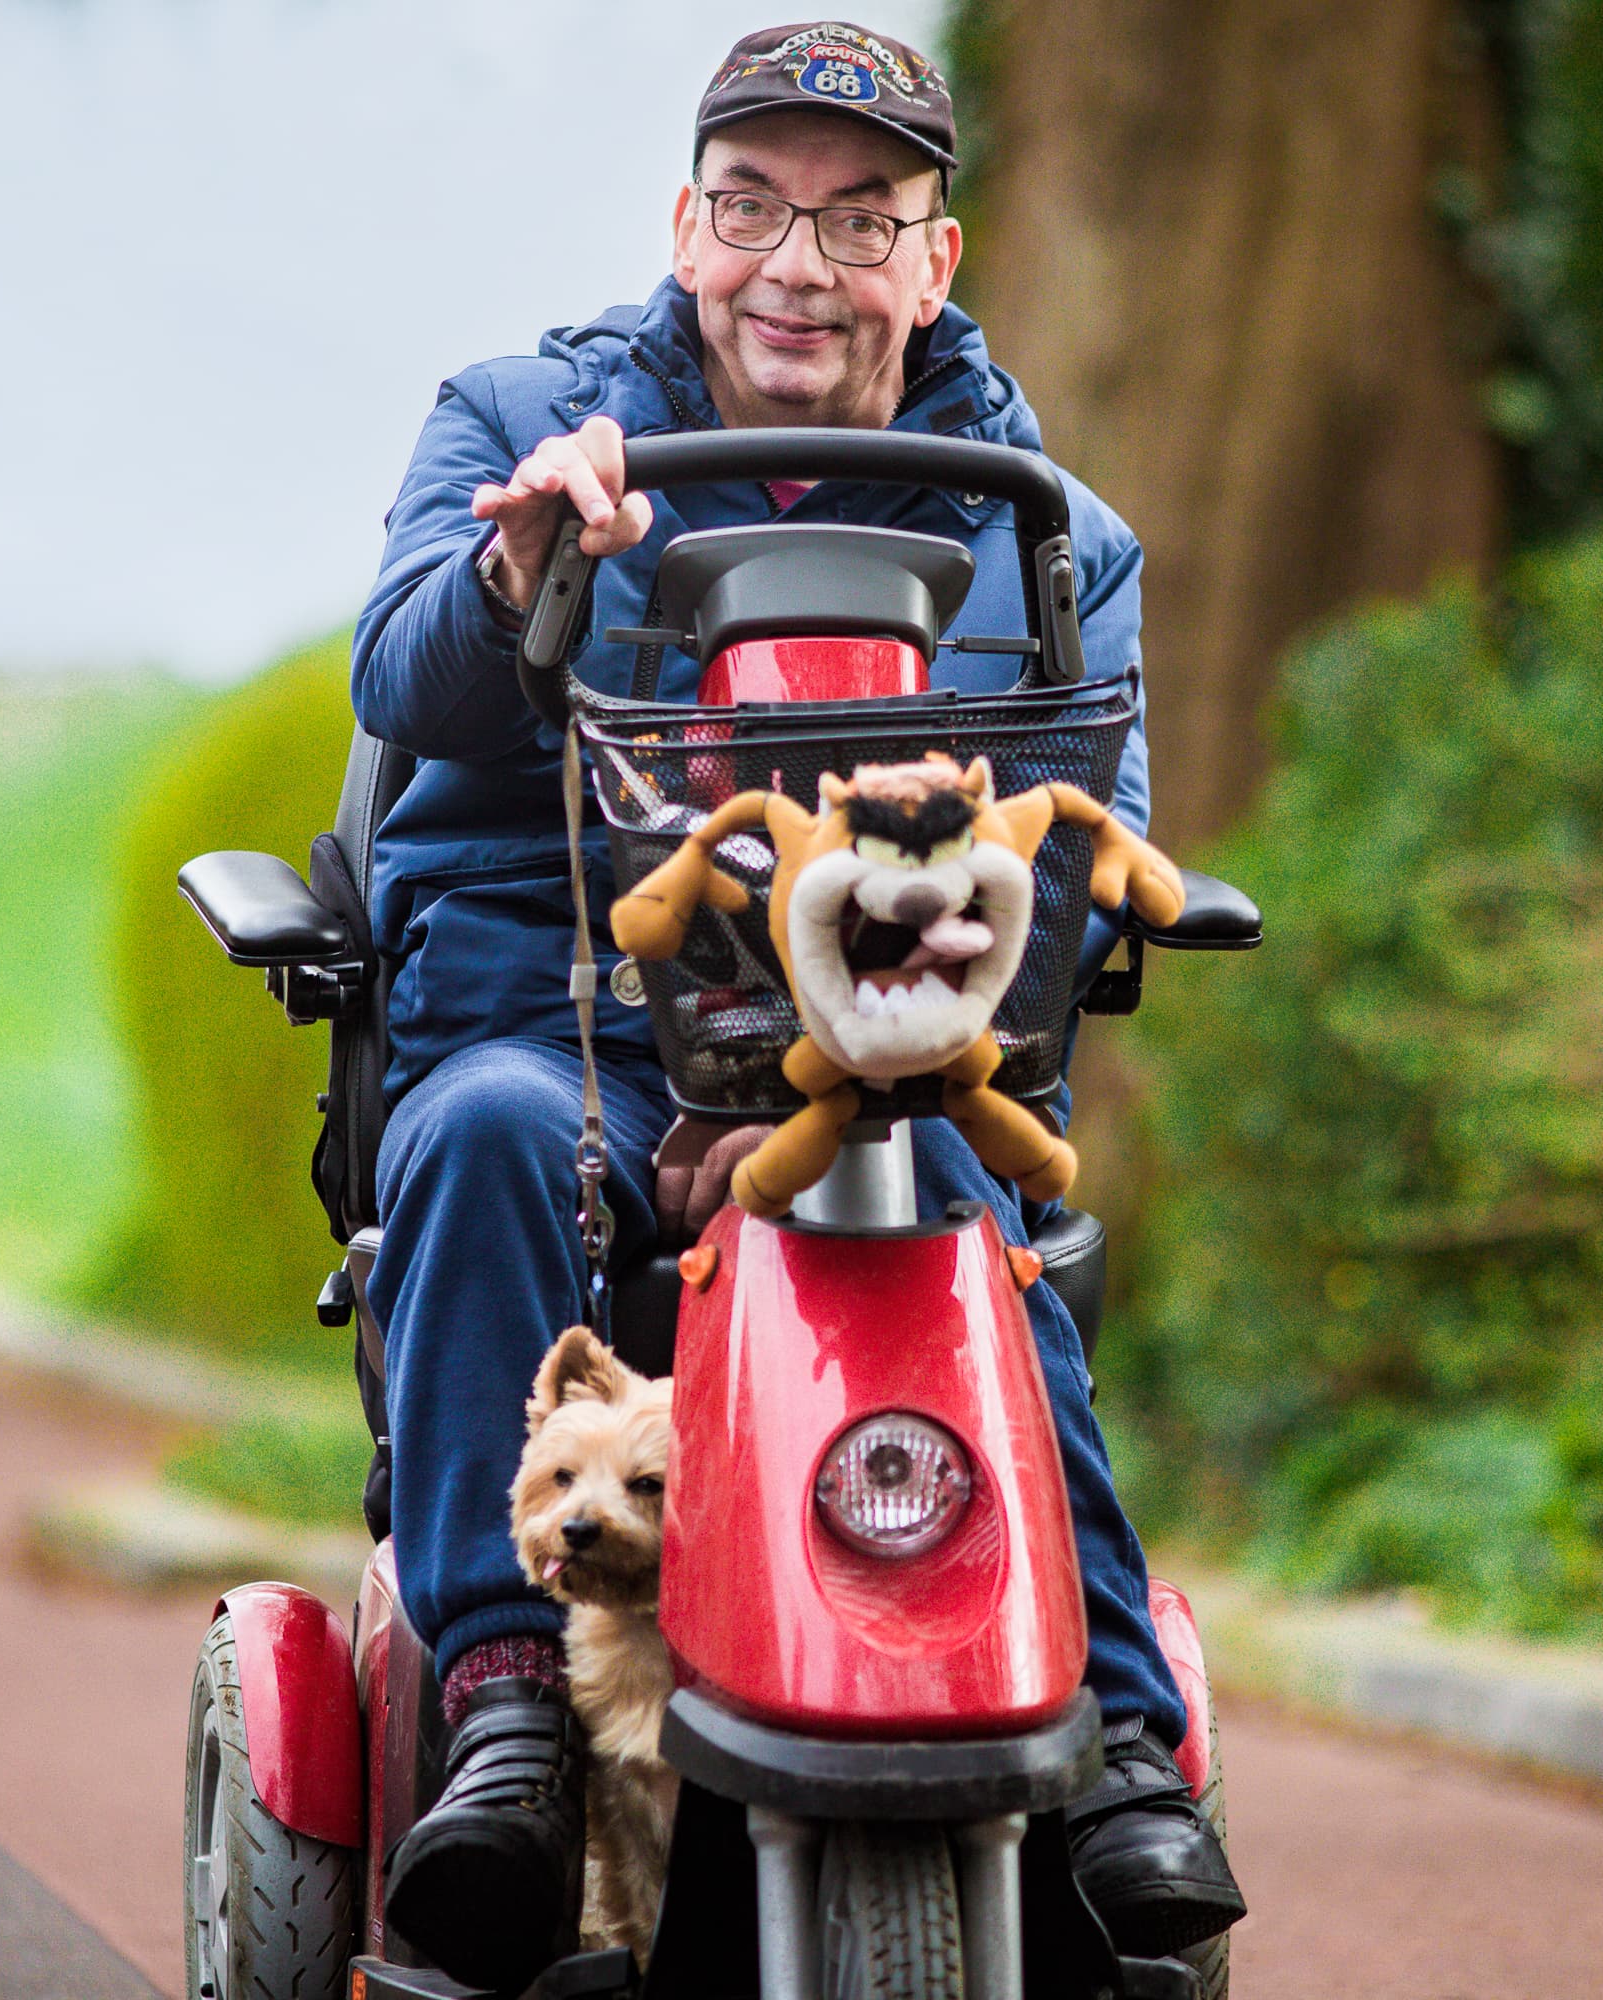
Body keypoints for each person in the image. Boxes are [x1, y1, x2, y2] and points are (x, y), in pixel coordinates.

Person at [353, 20, 1243, 1988]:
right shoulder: (519, 414)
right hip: (559, 1014)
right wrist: (517, 572)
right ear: (686, 224)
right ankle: (506, 1721)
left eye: (860, 219)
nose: (797, 262)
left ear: (938, 261)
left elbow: (1102, 852)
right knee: (494, 1135)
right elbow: (397, 685)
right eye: (751, 205)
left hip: (885, 1053)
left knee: (986, 1237)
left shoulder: (1052, 532)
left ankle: (1107, 1756)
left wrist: (975, 973)